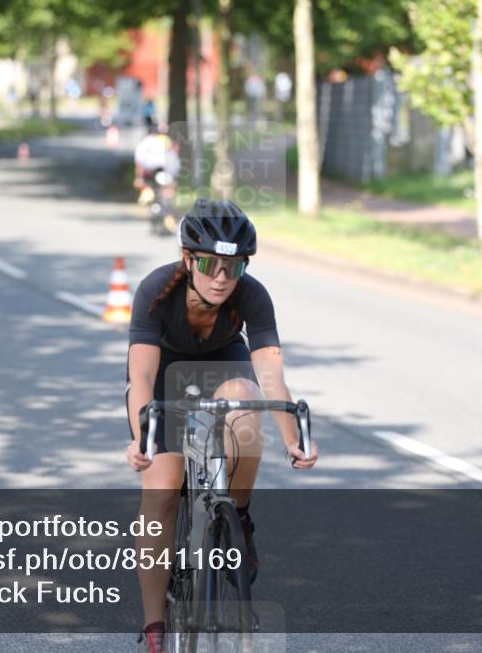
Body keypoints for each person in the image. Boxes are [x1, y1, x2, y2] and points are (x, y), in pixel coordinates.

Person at [125, 199, 320, 652]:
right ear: (188, 259)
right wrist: (143, 438)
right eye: (210, 264)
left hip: (223, 364)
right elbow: (141, 378)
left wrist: (295, 442)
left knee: (248, 400)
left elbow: (272, 376)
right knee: (163, 490)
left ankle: (240, 516)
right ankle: (155, 628)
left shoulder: (252, 296)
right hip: (165, 375)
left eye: (233, 268)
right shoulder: (156, 291)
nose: (220, 278)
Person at [133, 122, 180, 195]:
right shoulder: (170, 141)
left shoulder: (147, 140)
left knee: (145, 187)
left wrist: (139, 178)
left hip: (156, 171)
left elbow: (139, 161)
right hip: (162, 171)